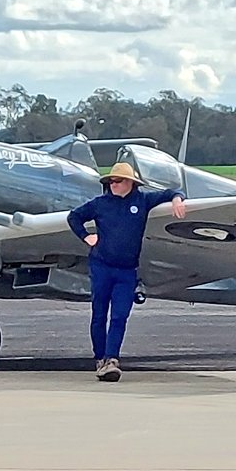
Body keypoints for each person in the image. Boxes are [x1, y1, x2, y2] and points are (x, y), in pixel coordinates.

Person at [67, 162, 186, 382]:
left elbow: (172, 192)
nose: (113, 184)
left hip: (126, 271)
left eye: (118, 180)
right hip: (101, 267)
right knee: (99, 315)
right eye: (111, 181)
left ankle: (112, 359)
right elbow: (73, 217)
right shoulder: (100, 204)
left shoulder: (142, 201)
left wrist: (177, 199)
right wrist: (86, 237)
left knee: (120, 315)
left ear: (130, 183)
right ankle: (100, 358)